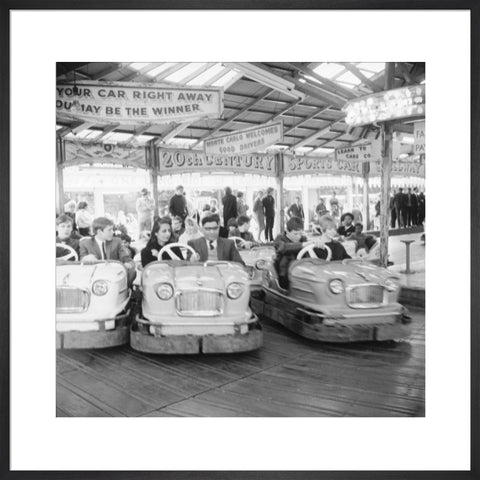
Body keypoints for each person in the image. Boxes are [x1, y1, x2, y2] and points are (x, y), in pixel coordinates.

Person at [79, 217, 136, 286]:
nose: (113, 232)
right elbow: (81, 261)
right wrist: (85, 259)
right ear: (99, 232)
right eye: (109, 230)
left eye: (112, 229)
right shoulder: (85, 243)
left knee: (132, 272)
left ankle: (123, 291)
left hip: (114, 275)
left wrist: (129, 264)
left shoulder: (117, 241)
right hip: (94, 276)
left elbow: (126, 258)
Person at [273, 216, 326, 289]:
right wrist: (303, 245)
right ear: (287, 231)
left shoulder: (303, 238)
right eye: (295, 234)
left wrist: (318, 244)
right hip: (285, 273)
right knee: (285, 258)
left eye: (300, 233)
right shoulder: (280, 238)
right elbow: (283, 248)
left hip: (302, 270)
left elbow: (310, 248)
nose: (298, 237)